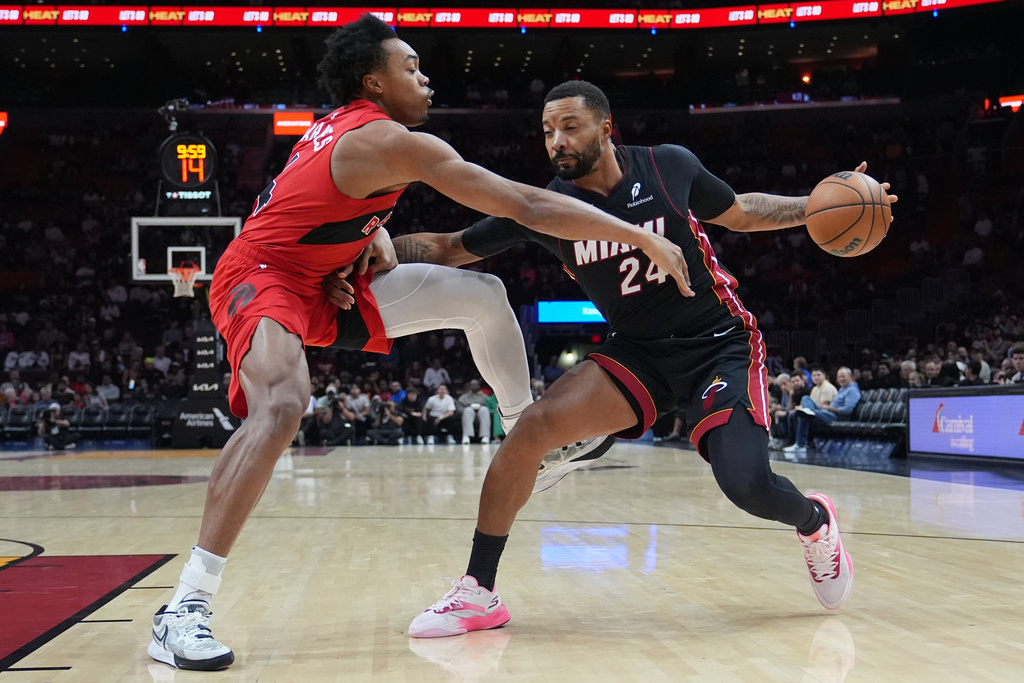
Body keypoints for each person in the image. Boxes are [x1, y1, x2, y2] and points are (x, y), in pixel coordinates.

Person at [147, 19, 682, 671]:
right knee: (284, 404)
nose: (425, 76)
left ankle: (528, 438)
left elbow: (311, 202)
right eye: (411, 65)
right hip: (259, 278)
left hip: (322, 279)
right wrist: (640, 234)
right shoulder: (385, 141)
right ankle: (183, 609)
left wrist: (364, 240)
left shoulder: (340, 128)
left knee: (481, 294)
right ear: (375, 81)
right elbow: (524, 205)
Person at [389, 81, 895, 638]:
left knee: (746, 485)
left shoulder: (667, 166)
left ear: (606, 127)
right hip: (639, 355)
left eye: (570, 127)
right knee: (531, 428)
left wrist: (819, 207)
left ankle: (814, 521)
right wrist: (375, 245)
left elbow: (741, 213)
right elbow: (448, 246)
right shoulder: (543, 207)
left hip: (717, 343)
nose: (556, 140)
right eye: (547, 131)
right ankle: (477, 592)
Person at [785, 367, 861, 454]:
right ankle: (808, 411)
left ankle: (801, 445)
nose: (840, 379)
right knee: (806, 398)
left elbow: (847, 410)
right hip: (827, 413)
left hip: (836, 416)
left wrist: (829, 408)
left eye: (843, 376)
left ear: (850, 376)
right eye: (839, 377)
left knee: (803, 413)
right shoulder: (843, 389)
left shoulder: (852, 390)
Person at [458, 379, 491, 445]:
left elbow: (490, 407)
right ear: (469, 386)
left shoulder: (485, 397)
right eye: (472, 385)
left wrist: (479, 407)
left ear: (479, 386)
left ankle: (485, 436)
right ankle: (466, 436)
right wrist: (470, 407)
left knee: (484, 409)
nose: (474, 387)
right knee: (467, 410)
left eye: (476, 385)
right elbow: (459, 409)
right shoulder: (464, 397)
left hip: (481, 415)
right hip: (469, 415)